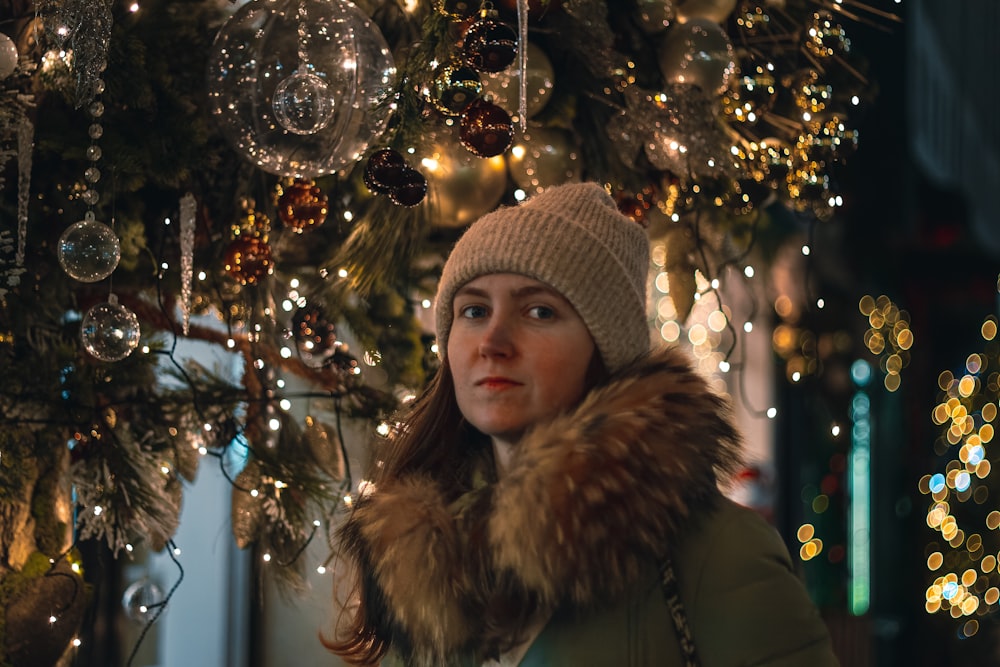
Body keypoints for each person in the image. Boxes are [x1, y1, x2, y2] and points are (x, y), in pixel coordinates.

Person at [324, 182, 840, 667]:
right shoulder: (417, 569)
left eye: (540, 312)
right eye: (474, 310)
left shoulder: (716, 554)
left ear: (605, 348)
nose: (493, 341)